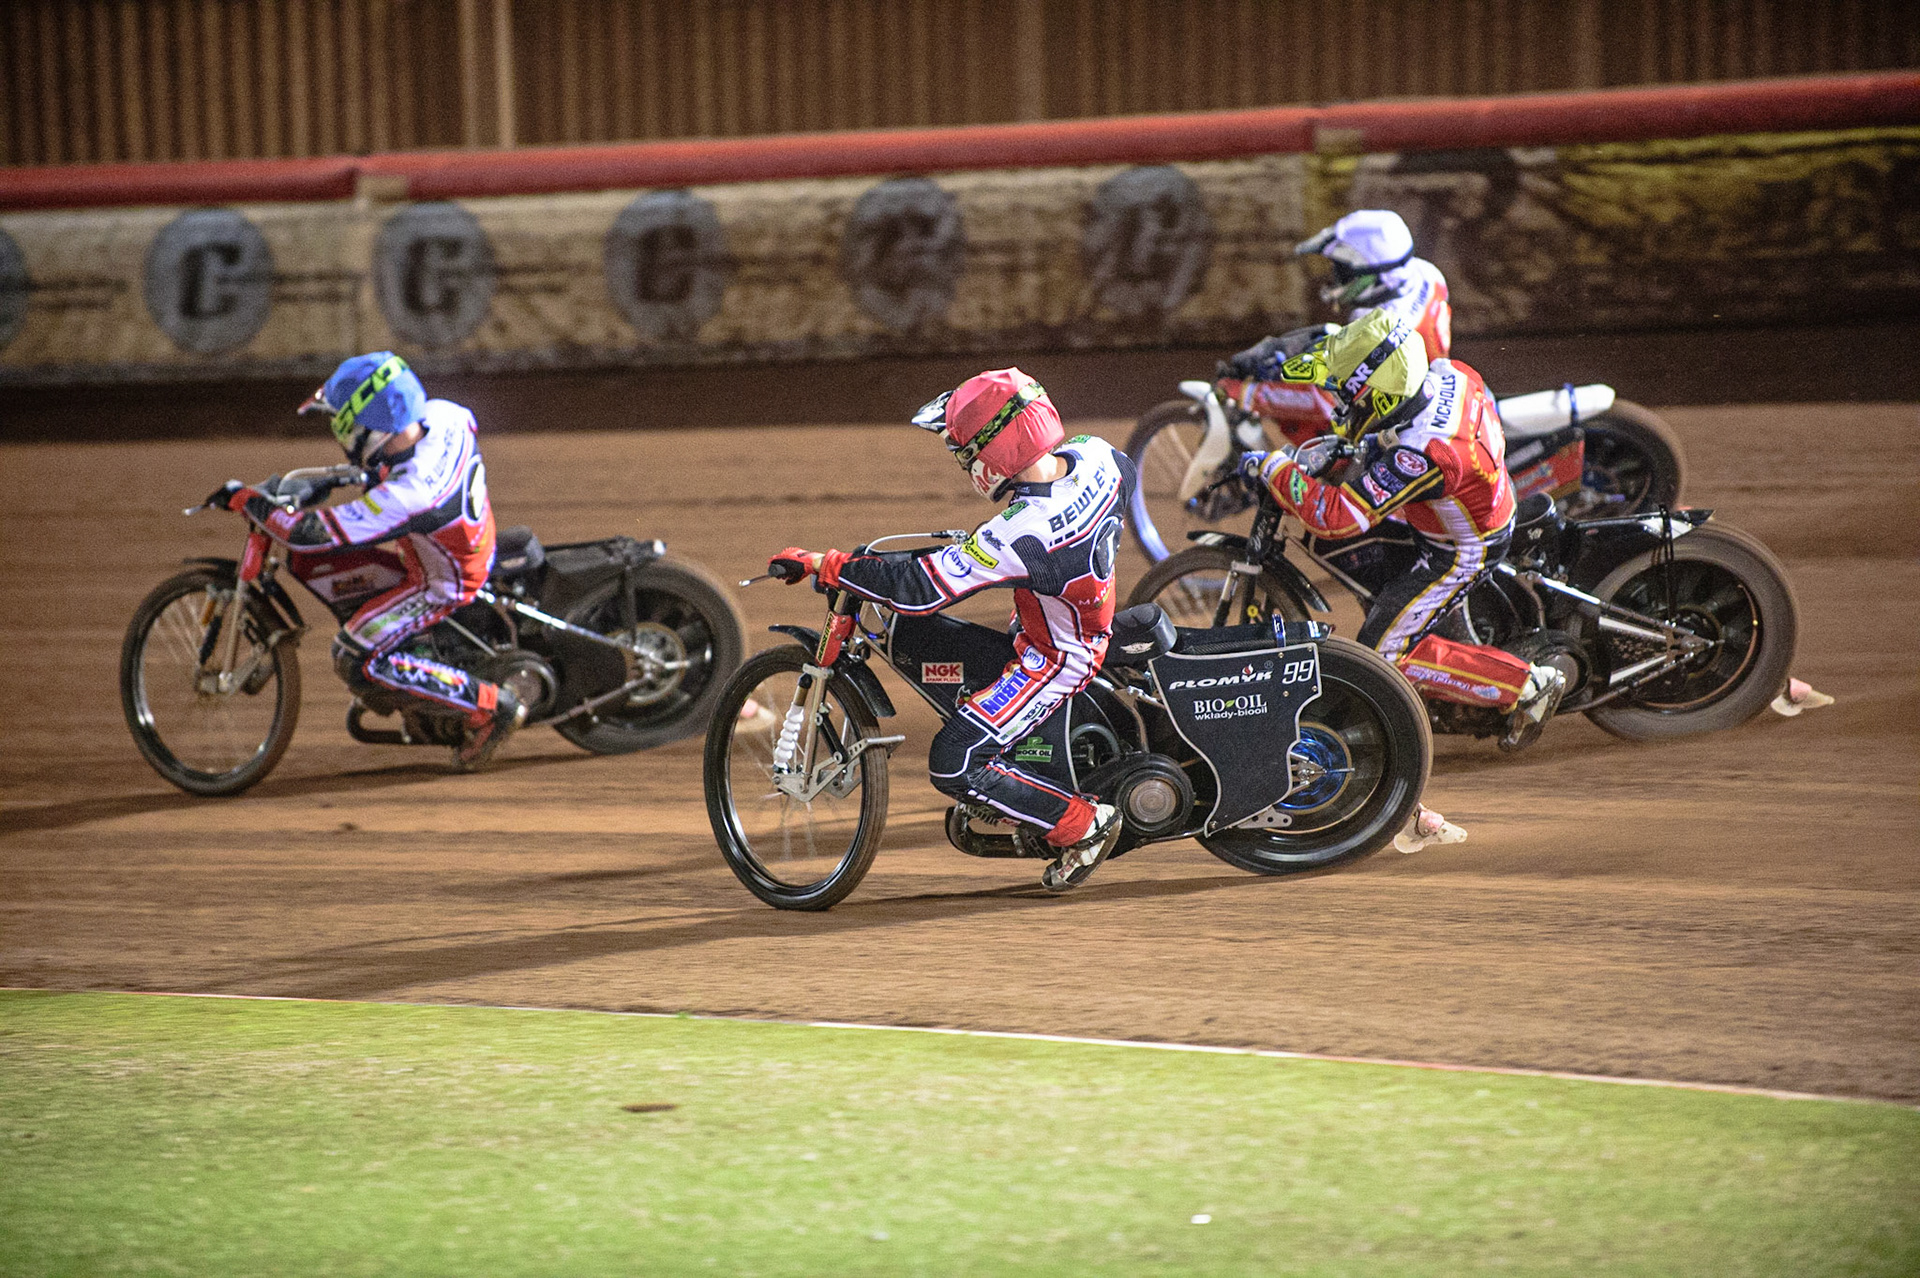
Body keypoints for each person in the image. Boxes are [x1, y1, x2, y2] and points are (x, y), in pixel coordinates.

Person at [769, 368, 1135, 892]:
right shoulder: (1096, 454)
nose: (963, 461)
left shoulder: (1021, 532)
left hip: (1058, 657)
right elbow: (1115, 486)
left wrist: (826, 564)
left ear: (993, 450)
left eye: (964, 450)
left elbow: (920, 591)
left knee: (954, 761)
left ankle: (1081, 824)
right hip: (1071, 612)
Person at [1234, 309, 1567, 751]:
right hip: (1462, 504)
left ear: (1382, 393)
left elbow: (1335, 517)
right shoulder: (1451, 372)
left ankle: (1526, 685)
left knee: (1383, 653)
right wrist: (1370, 443)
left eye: (1350, 393)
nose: (1343, 403)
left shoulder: (1424, 454)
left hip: (1461, 551)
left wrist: (1276, 466)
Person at [214, 351, 524, 769]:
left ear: (367, 428)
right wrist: (332, 481)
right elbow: (393, 465)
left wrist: (249, 501)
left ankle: (489, 707)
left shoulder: (410, 495)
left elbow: (311, 537)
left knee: (354, 657)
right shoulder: (445, 415)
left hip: (441, 584)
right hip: (461, 542)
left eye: (340, 424)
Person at [1223, 208, 1452, 446]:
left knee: (1320, 433)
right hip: (1425, 385)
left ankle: (1311, 481)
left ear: (1376, 276)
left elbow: (1324, 403)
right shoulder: (1426, 274)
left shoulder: (1381, 328)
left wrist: (1245, 394)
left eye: (1344, 272)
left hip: (1404, 428)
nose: (1335, 277)